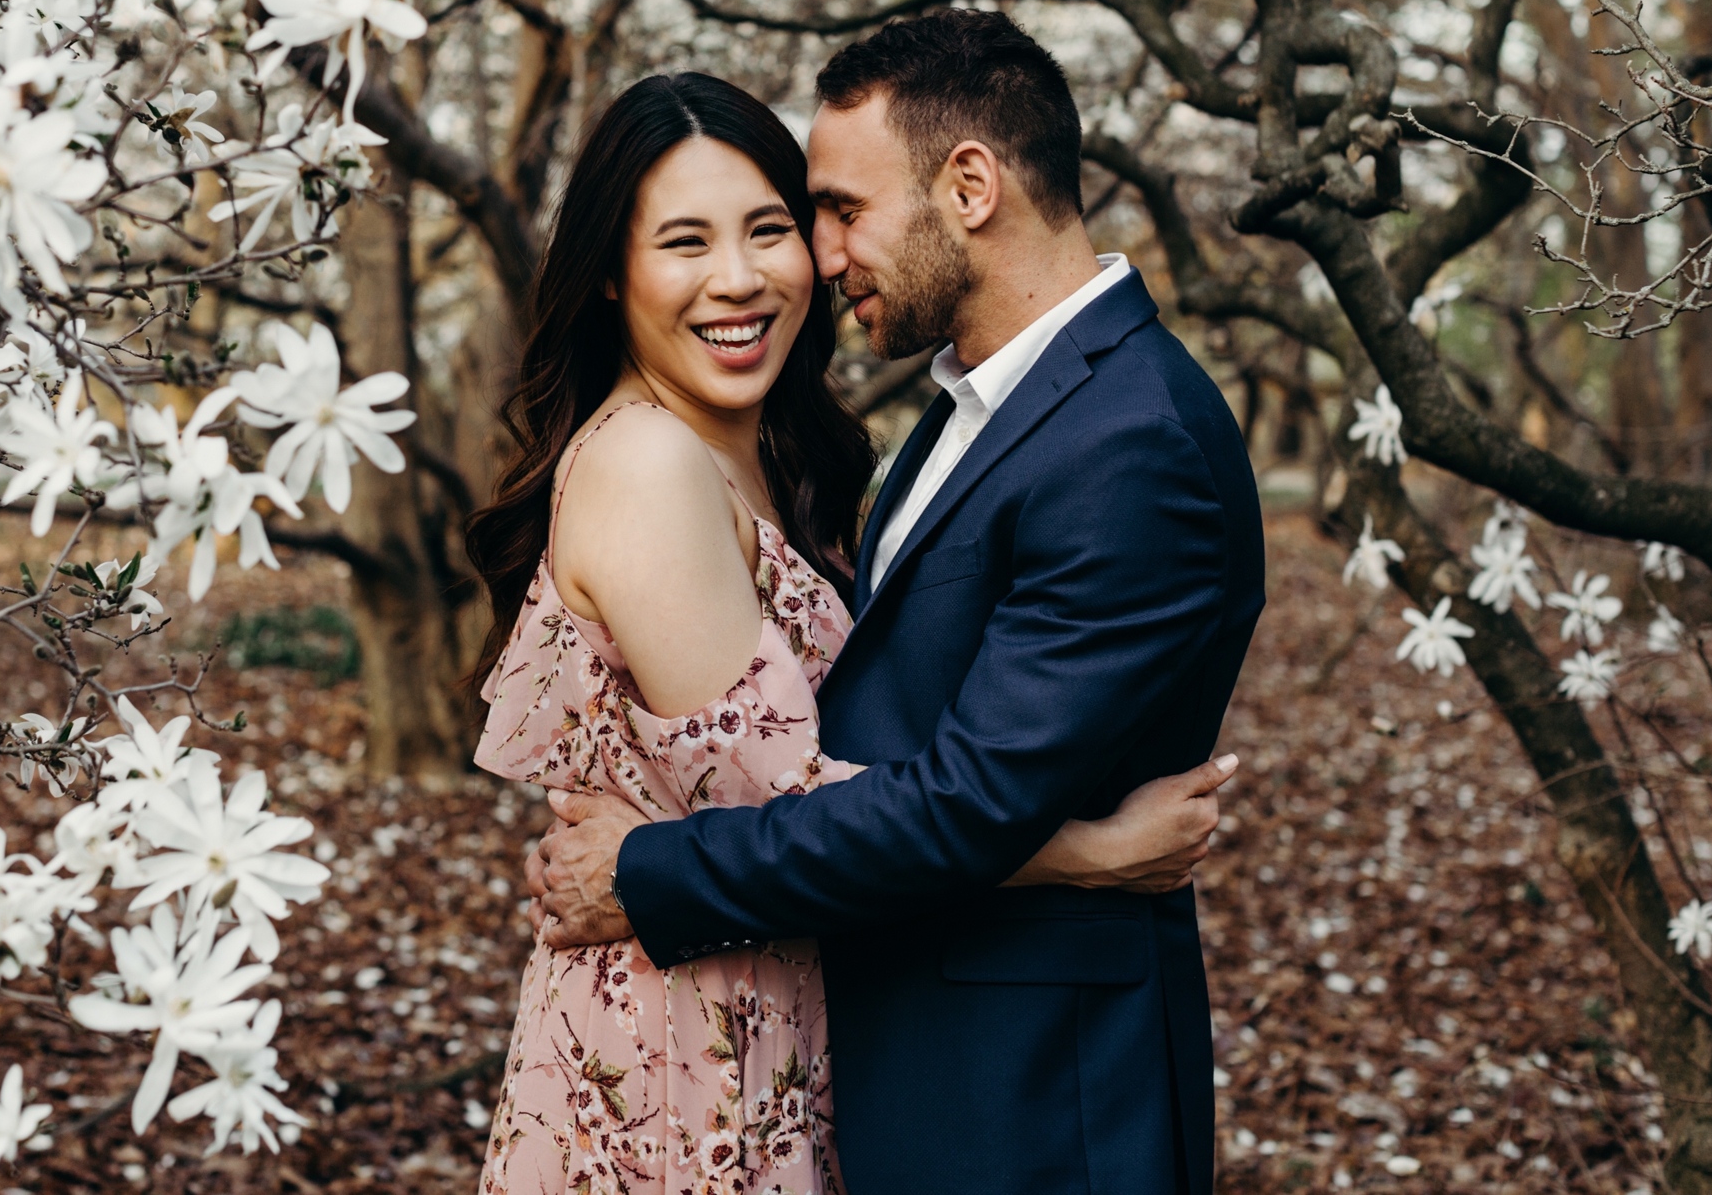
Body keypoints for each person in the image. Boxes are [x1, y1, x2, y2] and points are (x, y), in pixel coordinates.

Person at [465, 61, 1246, 1195]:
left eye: (785, 224)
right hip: (685, 1064)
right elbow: (787, 803)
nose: (764, 273)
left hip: (790, 1020)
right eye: (684, 242)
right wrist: (1089, 852)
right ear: (608, 277)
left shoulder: (784, 447)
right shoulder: (648, 464)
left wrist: (643, 866)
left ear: (969, 185)